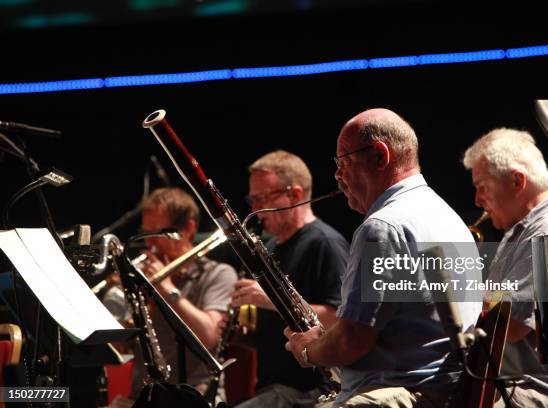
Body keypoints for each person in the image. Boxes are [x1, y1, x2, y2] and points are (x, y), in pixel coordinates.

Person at [285, 108, 482, 407]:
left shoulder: (384, 227)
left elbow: (352, 341)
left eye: (344, 161)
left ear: (380, 155)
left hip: (397, 395)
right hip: (443, 394)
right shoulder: (446, 215)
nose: (338, 175)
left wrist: (308, 349)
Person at [462, 127, 548, 407]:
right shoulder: (525, 227)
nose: (476, 201)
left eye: (481, 187)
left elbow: (507, 325)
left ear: (516, 181)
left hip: (542, 394)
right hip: (516, 383)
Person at [227, 150, 348, 407]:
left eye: (263, 198)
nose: (256, 210)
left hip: (311, 389)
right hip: (271, 385)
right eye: (253, 199)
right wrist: (238, 335)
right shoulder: (269, 246)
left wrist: (270, 298)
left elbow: (340, 318)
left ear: (294, 194)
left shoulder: (325, 243)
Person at [130, 187, 237, 398]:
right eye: (145, 233)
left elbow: (208, 337)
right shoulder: (143, 278)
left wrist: (167, 288)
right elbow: (121, 348)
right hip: (144, 396)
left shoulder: (218, 274)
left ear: (188, 228)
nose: (149, 244)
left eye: (157, 234)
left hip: (196, 396)